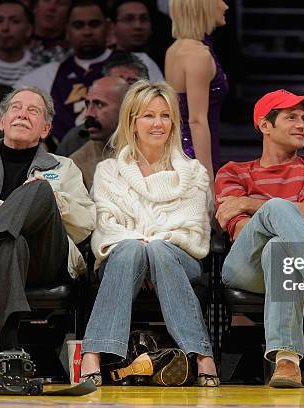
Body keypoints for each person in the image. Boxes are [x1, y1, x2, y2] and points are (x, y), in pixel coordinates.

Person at [80, 80, 218, 387]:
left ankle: (200, 352)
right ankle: (95, 351)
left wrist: (150, 246)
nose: (158, 123)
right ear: (132, 121)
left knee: (157, 250)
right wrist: (140, 246)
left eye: (165, 116)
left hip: (180, 259)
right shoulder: (109, 172)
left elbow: (193, 227)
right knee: (131, 249)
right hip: (123, 260)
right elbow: (106, 224)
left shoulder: (193, 172)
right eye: (148, 115)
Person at [0, 86, 95, 351]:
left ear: (45, 129)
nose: (22, 114)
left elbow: (85, 224)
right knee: (11, 243)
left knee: (40, 189)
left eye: (33, 111)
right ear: (2, 122)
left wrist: (48, 203)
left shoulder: (63, 167)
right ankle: (10, 345)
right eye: (16, 108)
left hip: (45, 260)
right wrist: (18, 207)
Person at [215, 89, 304, 388]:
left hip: (297, 271)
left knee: (279, 248)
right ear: (265, 125)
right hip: (247, 268)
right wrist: (270, 210)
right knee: (276, 213)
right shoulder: (232, 172)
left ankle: (286, 360)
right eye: (291, 117)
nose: (302, 124)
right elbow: (240, 230)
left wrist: (249, 203)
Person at [16, 0, 112, 149]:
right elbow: (10, 105)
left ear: (108, 27)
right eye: (78, 25)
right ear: (67, 30)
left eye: (94, 24)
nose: (87, 32)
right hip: (63, 157)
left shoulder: (134, 63)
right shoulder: (50, 73)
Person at [165, 0, 229, 181]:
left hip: (185, 152)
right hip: (195, 158)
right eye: (219, 1)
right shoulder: (197, 54)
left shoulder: (175, 49)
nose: (225, 6)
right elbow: (196, 121)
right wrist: (207, 180)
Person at [55, 51, 148, 157]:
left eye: (132, 81)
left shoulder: (157, 131)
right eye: (117, 81)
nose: (125, 88)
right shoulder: (76, 140)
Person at [70, 76, 129, 190]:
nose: (88, 114)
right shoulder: (78, 163)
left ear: (125, 108)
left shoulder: (151, 149)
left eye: (99, 104)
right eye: (88, 104)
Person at [109, 0, 165, 81]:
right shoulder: (101, 61)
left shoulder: (166, 60)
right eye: (129, 19)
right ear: (112, 26)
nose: (138, 26)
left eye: (144, 19)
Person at [29, 0, 72, 65]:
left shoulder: (75, 53)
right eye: (46, 0)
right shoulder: (16, 46)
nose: (51, 7)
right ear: (35, 7)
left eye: (60, 3)